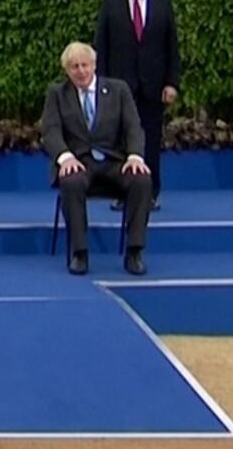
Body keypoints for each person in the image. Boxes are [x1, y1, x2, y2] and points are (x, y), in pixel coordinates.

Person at [42, 42, 152, 276]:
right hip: (80, 162)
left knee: (141, 180)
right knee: (70, 181)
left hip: (114, 161)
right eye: (74, 67)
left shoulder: (118, 90)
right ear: (67, 71)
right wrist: (65, 157)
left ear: (94, 65)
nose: (80, 71)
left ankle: (134, 251)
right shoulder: (57, 94)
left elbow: (133, 126)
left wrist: (134, 156)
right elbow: (50, 131)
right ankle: (79, 253)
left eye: (84, 65)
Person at [94, 0, 180, 212]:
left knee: (150, 140)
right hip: (119, 89)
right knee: (120, 142)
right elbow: (102, 48)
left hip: (153, 88)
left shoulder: (163, 5)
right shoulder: (110, 6)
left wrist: (171, 83)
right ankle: (121, 192)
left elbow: (171, 48)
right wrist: (102, 87)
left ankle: (150, 193)